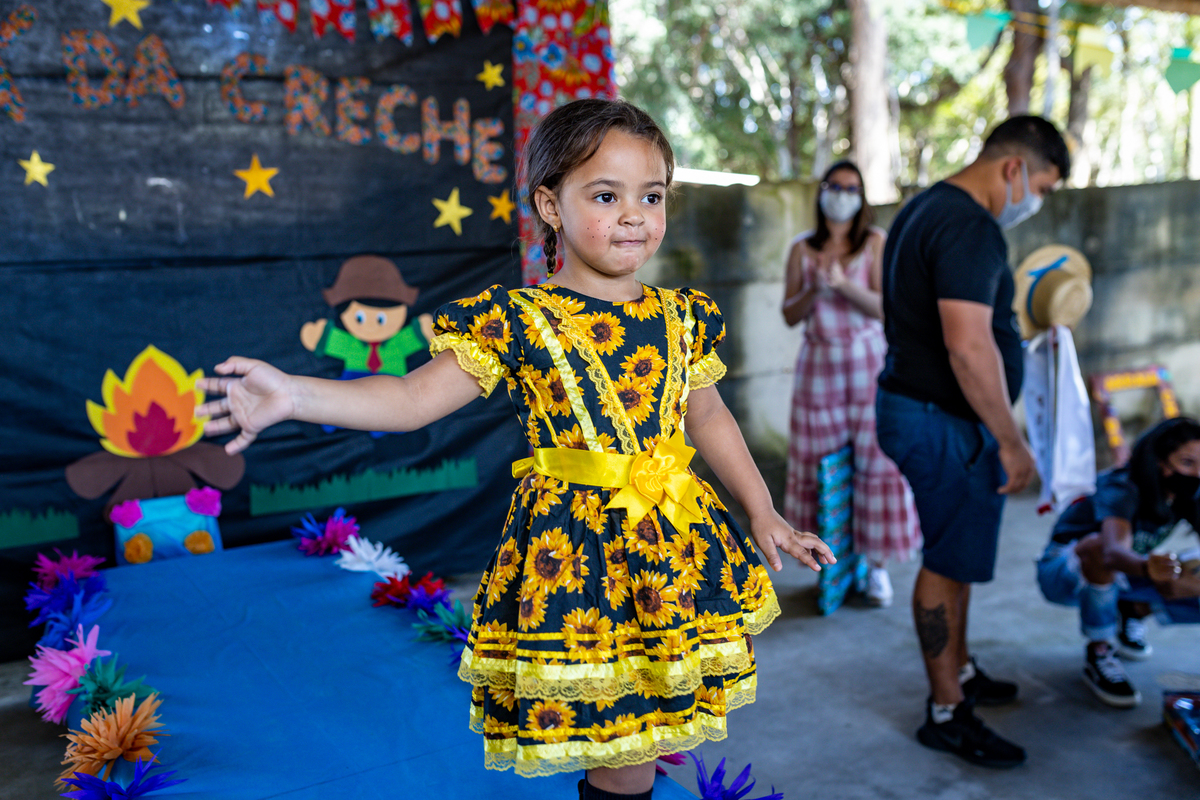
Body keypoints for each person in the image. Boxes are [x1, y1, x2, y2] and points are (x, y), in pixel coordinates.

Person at [197, 98, 834, 800]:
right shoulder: (519, 319)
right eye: (606, 196)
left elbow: (705, 412)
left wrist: (762, 510)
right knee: (620, 743)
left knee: (648, 733)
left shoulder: (683, 316)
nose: (633, 215)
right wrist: (295, 393)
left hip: (670, 545)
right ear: (551, 206)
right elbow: (410, 400)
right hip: (579, 558)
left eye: (651, 196)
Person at [874, 115, 1070, 768]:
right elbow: (967, 345)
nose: (1036, 201)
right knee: (945, 562)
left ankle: (958, 669)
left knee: (957, 557)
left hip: (925, 411)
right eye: (1042, 186)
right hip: (942, 421)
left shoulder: (925, 207)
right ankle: (947, 712)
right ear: (1014, 168)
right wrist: (1010, 440)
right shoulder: (969, 225)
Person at [782, 161, 921, 607]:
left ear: (861, 197)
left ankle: (876, 567)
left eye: (851, 189)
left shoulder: (876, 242)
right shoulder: (802, 249)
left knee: (877, 462)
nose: (841, 195)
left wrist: (842, 285)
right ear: (821, 191)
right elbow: (789, 314)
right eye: (834, 187)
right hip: (818, 365)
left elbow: (886, 308)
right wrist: (815, 289)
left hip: (868, 363)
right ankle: (828, 568)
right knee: (820, 467)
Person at [1037, 417, 1200, 708]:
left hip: (1127, 572)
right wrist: (1150, 569)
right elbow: (1112, 552)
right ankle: (1100, 649)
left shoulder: (1187, 493)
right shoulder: (1122, 486)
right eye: (1187, 462)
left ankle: (1133, 610)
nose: (1197, 473)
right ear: (1160, 462)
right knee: (1097, 548)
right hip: (1065, 571)